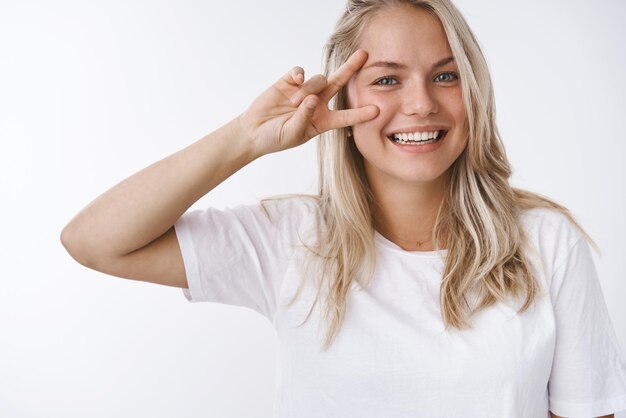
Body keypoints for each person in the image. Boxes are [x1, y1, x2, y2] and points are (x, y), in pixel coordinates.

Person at [60, 0, 626, 416]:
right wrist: (245, 137)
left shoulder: (545, 243)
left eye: (446, 75)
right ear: (341, 99)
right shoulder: (290, 240)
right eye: (386, 80)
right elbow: (93, 241)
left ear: (474, 90)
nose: (421, 103)